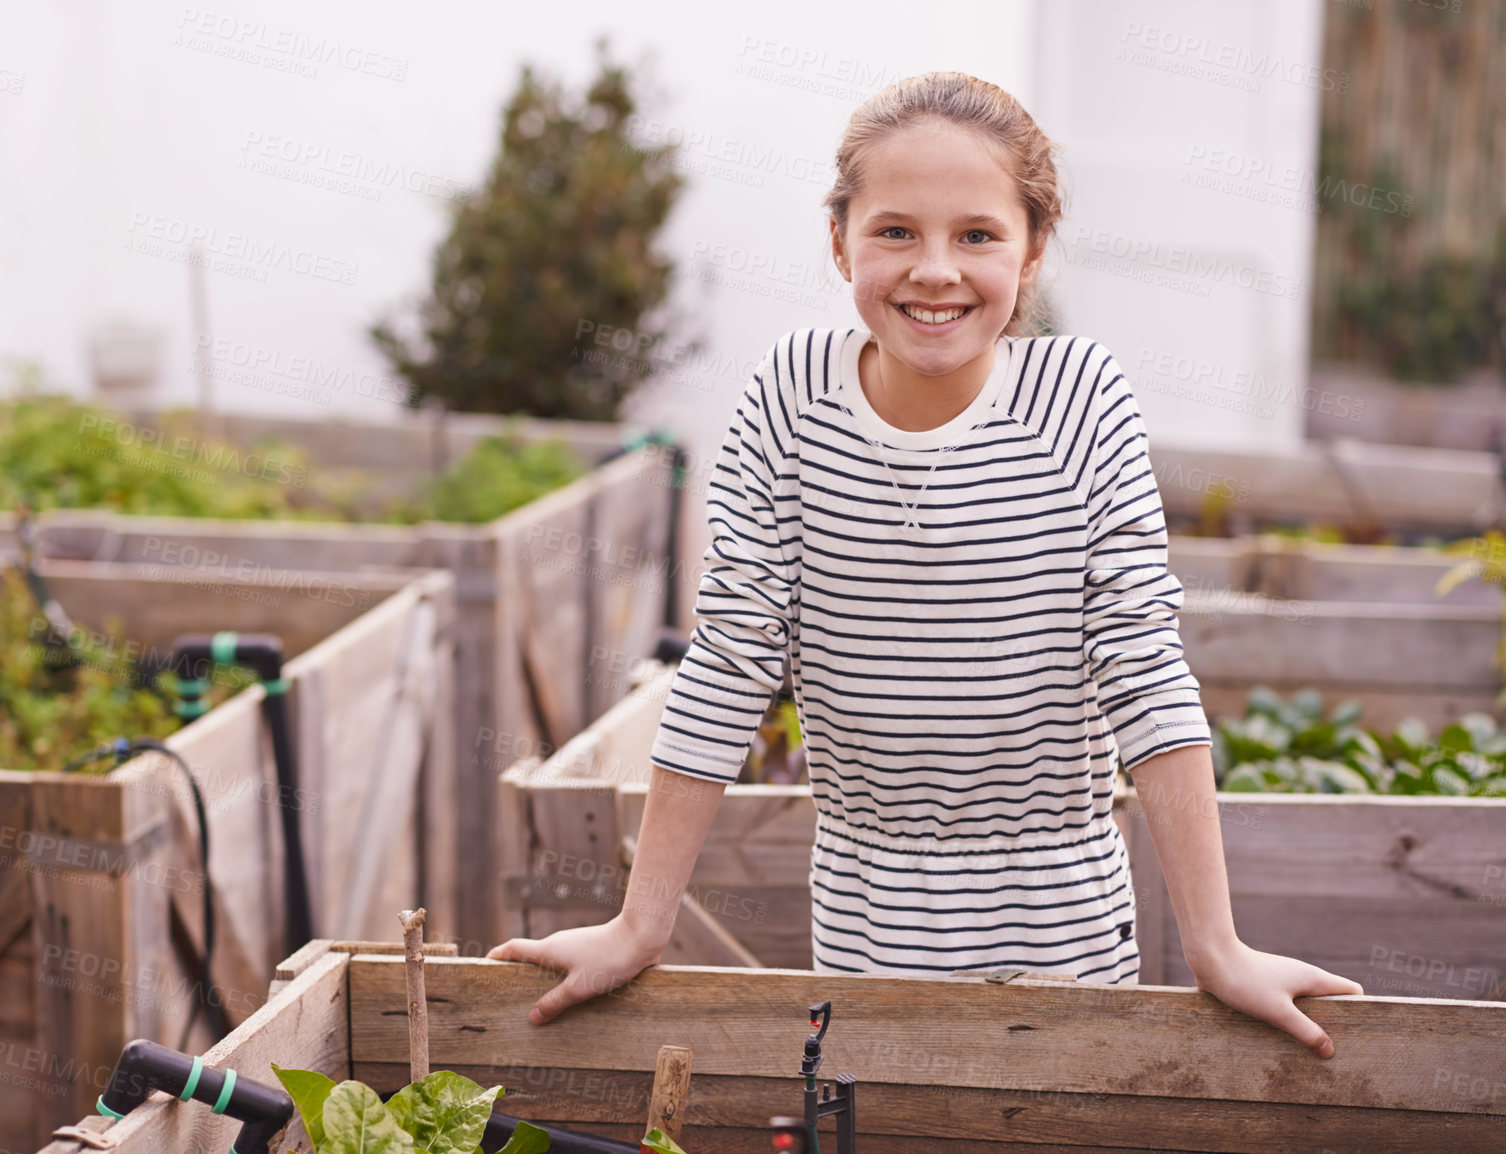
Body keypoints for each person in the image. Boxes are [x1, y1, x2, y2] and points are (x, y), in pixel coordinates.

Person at [488, 71, 1364, 1056]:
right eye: (895, 231)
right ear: (838, 242)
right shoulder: (788, 399)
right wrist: (639, 922)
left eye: (977, 235)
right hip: (859, 928)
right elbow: (730, 657)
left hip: (1059, 935)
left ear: (1032, 247)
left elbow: (1141, 665)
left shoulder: (1081, 402)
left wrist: (1215, 944)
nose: (934, 269)